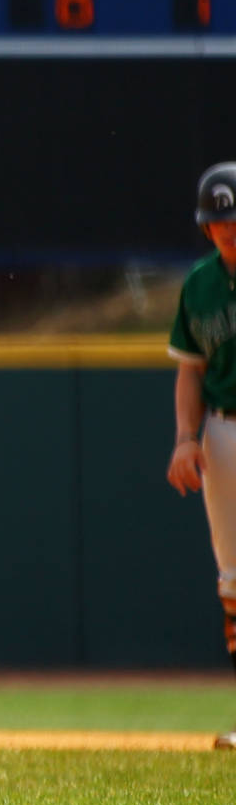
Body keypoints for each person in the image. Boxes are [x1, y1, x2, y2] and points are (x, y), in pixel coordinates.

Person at [168, 161, 236, 749]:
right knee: (234, 576)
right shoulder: (199, 285)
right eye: (219, 221)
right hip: (223, 433)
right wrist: (185, 438)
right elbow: (191, 371)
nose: (229, 229)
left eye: (235, 218)